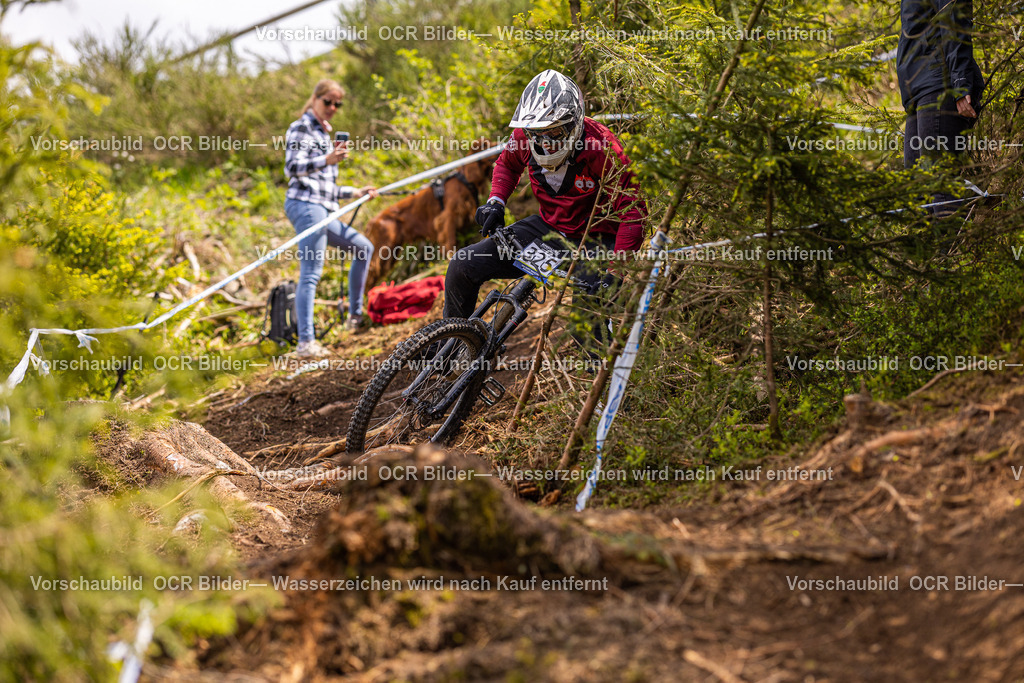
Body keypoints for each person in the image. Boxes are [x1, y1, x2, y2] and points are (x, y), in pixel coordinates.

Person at [444, 69, 647, 353]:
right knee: (462, 265)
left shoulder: (601, 147)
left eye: (554, 132)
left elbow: (634, 210)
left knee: (585, 326)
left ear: (574, 123)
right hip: (549, 229)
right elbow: (506, 164)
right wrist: (496, 202)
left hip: (597, 238)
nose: (546, 142)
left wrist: (617, 269)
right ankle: (450, 349)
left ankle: (604, 386)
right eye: (538, 134)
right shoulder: (523, 137)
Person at [284, 78, 378, 358]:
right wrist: (327, 159)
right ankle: (306, 343)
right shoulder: (301, 127)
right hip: (304, 205)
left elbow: (327, 188)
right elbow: (292, 167)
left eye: (338, 104)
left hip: (323, 206)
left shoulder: (324, 133)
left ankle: (355, 317)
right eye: (328, 101)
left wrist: (356, 191)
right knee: (311, 272)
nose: (333, 107)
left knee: (364, 248)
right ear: (315, 98)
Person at [897, 0, 984, 216]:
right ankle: (929, 249)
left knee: (940, 183)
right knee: (918, 189)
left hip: (940, 84)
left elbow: (955, 23)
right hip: (917, 89)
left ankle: (952, 249)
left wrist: (960, 85)